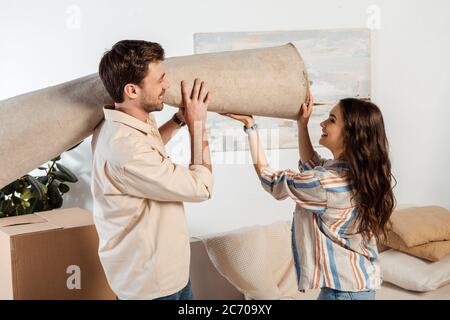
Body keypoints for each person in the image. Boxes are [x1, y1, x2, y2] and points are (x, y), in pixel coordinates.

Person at [223, 90, 396, 300]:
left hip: (343, 292)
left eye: (331, 120)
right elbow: (311, 165)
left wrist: (251, 128)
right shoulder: (357, 173)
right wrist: (302, 124)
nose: (323, 124)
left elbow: (271, 181)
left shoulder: (325, 183)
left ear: (351, 133)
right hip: (358, 284)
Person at [91, 40, 213, 300]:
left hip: (167, 274)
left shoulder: (125, 122)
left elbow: (150, 148)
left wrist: (179, 120)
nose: (167, 85)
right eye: (160, 80)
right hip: (151, 285)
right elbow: (201, 187)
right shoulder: (125, 149)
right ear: (132, 90)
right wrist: (197, 125)